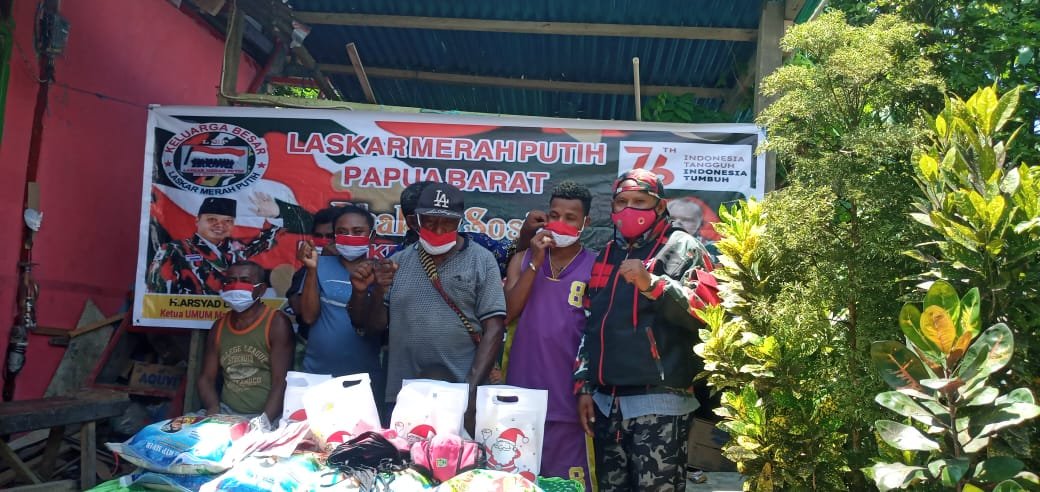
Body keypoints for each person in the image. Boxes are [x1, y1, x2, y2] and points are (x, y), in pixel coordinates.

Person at [574, 169, 720, 491]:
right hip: (606, 405)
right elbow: (590, 321)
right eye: (622, 202)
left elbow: (709, 313)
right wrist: (584, 385)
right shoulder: (607, 254)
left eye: (640, 201)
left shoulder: (684, 247)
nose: (629, 209)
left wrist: (653, 285)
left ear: (660, 205)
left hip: (660, 404)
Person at [361, 183, 507, 433]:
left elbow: (494, 328)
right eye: (430, 222)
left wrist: (470, 391)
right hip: (402, 394)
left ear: (460, 221)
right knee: (404, 455)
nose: (438, 230)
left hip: (461, 394)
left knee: (457, 456)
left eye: (447, 223)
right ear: (415, 221)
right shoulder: (396, 263)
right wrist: (377, 291)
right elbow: (375, 327)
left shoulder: (482, 260)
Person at [503, 181, 596, 490]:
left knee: (568, 485)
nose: (560, 223)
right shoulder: (522, 260)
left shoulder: (596, 266)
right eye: (555, 215)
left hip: (569, 401)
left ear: (586, 223)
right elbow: (507, 313)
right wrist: (535, 261)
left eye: (570, 218)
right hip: (521, 397)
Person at [294, 205, 384, 393]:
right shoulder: (318, 264)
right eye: (342, 232)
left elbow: (378, 326)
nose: (349, 237)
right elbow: (308, 317)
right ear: (335, 236)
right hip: (318, 374)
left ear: (372, 236)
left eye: (357, 231)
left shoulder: (381, 273)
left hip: (363, 378)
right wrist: (311, 270)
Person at [197, 261, 294, 425]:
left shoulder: (276, 323)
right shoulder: (219, 326)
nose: (236, 286)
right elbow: (206, 378)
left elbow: (281, 381)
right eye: (231, 281)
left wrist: (263, 423)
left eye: (245, 281)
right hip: (225, 412)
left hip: (266, 415)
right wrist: (213, 409)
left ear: (261, 289)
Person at [394, 181, 540, 278]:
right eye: (432, 219)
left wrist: (527, 233)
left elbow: (513, 258)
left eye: (447, 217)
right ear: (413, 221)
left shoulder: (476, 246)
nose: (441, 228)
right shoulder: (395, 263)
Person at [147, 197, 282, 295]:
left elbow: (264, 243)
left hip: (231, 315)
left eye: (227, 221)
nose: (220, 225)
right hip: (190, 316)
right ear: (197, 220)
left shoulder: (237, 248)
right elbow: (156, 287)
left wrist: (273, 217)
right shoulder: (175, 249)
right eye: (212, 219)